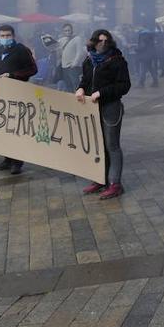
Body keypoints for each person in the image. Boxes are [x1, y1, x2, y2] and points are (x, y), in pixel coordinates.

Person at [76, 29, 132, 199]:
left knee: (112, 145)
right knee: (98, 146)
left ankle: (115, 183)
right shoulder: (89, 60)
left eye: (106, 41)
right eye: (99, 41)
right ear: (93, 42)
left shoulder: (117, 60)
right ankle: (100, 179)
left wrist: (102, 92)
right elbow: (85, 80)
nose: (102, 44)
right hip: (92, 109)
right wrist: (80, 88)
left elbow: (124, 85)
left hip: (110, 107)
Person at [0, 25, 38, 174]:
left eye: (8, 35)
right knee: (5, 127)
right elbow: (1, 70)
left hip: (18, 93)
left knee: (16, 128)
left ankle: (17, 162)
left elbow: (32, 69)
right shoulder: (0, 50)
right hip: (3, 93)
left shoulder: (22, 50)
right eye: (2, 36)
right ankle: (7, 159)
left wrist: (14, 75)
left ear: (13, 35)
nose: (5, 38)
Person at [57, 23, 83, 92]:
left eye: (69, 30)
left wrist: (75, 63)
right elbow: (54, 46)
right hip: (64, 66)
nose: (67, 32)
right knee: (68, 86)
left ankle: (78, 100)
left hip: (73, 67)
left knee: (76, 85)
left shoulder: (77, 39)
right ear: (63, 31)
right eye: (65, 30)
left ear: (72, 30)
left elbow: (79, 52)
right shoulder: (61, 40)